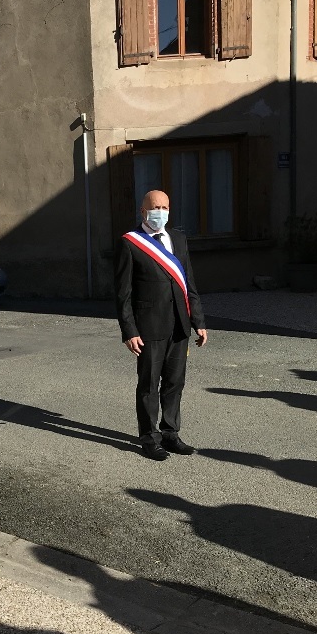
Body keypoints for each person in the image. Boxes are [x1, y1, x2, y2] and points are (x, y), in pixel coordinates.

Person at [114, 190, 208, 461]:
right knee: (148, 384)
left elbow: (189, 283)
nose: (161, 212)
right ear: (143, 211)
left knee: (175, 382)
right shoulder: (130, 243)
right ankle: (149, 437)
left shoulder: (178, 239)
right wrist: (129, 330)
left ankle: (170, 433)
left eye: (165, 206)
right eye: (156, 207)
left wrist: (198, 322)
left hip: (180, 324)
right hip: (148, 327)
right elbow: (123, 293)